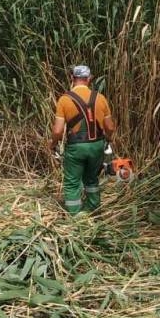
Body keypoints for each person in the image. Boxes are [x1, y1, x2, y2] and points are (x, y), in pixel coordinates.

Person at [48, 65, 116, 214]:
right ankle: (94, 210)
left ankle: (76, 217)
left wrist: (52, 144)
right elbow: (110, 127)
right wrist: (108, 140)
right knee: (92, 179)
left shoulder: (64, 100)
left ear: (72, 78)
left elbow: (58, 130)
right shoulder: (100, 98)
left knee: (72, 183)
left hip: (76, 147)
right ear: (89, 79)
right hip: (97, 145)